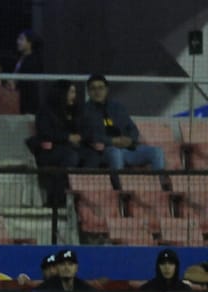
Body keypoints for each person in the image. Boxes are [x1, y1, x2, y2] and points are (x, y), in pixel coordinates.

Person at [81, 74, 166, 177]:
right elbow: (88, 135)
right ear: (88, 92)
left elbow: (133, 128)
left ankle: (157, 186)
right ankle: (120, 190)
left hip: (127, 148)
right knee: (115, 153)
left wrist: (130, 140)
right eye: (93, 88)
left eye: (100, 88)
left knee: (157, 152)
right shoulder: (84, 111)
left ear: (106, 89)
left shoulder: (117, 107)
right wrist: (112, 141)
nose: (97, 92)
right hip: (106, 150)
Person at [30, 80, 87, 209]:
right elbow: (45, 133)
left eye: (75, 92)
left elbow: (83, 130)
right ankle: (58, 199)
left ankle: (82, 201)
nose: (74, 95)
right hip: (50, 151)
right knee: (70, 158)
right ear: (62, 93)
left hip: (72, 149)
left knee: (90, 156)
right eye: (71, 92)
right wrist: (67, 137)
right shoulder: (46, 111)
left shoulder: (75, 111)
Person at [11, 30, 43, 115]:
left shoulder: (34, 61)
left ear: (30, 43)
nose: (18, 42)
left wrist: (15, 84)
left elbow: (28, 84)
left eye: (21, 39)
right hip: (19, 100)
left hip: (28, 104)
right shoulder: (21, 59)